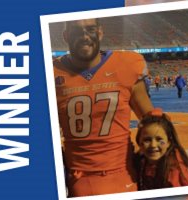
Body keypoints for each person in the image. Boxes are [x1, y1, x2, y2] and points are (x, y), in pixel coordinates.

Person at [53, 18, 154, 196]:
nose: (84, 36)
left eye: (90, 29)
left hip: (123, 175)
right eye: (77, 31)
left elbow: (152, 122)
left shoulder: (127, 64)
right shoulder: (51, 72)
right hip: (79, 180)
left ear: (100, 32)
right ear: (66, 36)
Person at [136, 108, 188, 189]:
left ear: (169, 142)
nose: (153, 145)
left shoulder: (176, 171)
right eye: (147, 140)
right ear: (139, 141)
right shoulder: (141, 162)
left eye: (159, 140)